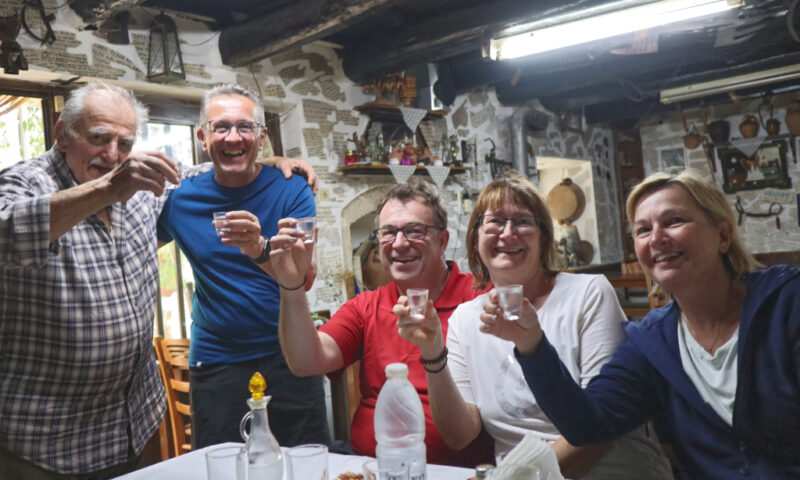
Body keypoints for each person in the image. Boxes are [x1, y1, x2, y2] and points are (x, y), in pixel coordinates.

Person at [0, 81, 316, 480]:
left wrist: (268, 162)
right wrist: (108, 189)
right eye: (99, 138)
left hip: (133, 421)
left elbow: (219, 168)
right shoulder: (26, 182)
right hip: (46, 435)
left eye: (125, 143)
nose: (112, 154)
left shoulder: (147, 188)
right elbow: (7, 231)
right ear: (62, 133)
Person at [511, 170, 800, 478]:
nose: (657, 238)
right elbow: (587, 425)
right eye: (643, 230)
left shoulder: (786, 303)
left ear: (724, 235)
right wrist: (531, 344)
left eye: (674, 221)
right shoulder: (652, 343)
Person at [395, 172, 672, 479]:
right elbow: (461, 434)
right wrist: (433, 351)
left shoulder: (588, 294)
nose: (507, 233)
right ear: (475, 240)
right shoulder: (464, 319)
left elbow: (597, 433)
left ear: (544, 240)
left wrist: (514, 477)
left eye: (523, 222)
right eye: (495, 222)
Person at [268, 178, 493, 467]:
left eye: (415, 231)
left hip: (452, 471)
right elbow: (305, 361)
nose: (399, 244)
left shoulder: (478, 300)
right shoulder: (366, 306)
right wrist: (291, 285)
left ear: (443, 241)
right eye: (388, 233)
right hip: (369, 466)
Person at [156, 83, 328, 449]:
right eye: (220, 127)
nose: (233, 136)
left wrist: (260, 249)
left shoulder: (291, 189)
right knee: (222, 468)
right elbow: (131, 247)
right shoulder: (180, 200)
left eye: (245, 127)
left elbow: (304, 277)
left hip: (290, 356)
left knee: (307, 467)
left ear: (261, 136)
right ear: (203, 137)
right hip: (217, 362)